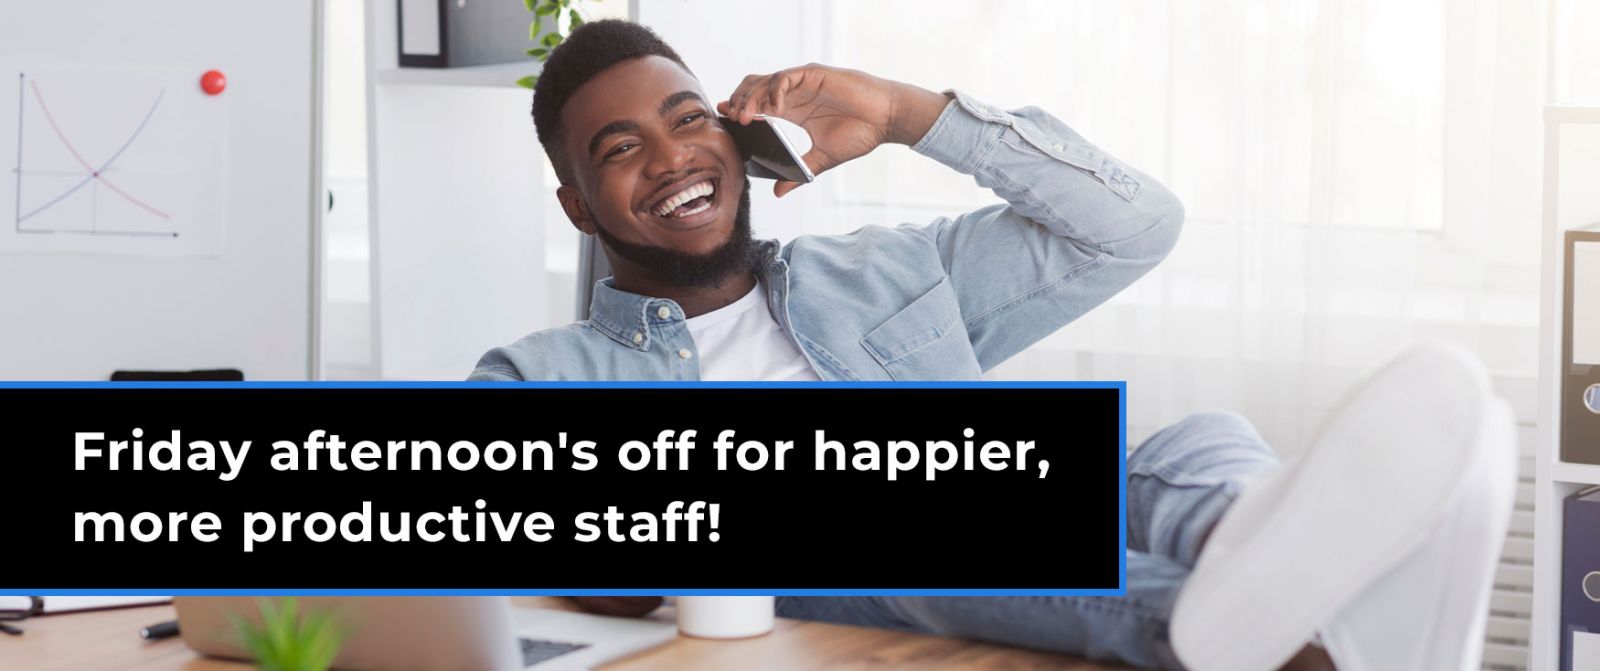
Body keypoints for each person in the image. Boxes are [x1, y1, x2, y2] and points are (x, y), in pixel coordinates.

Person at [469, 19, 1510, 670]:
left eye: (688, 118)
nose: (672, 157)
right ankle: (1278, 618)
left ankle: (1285, 563)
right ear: (576, 203)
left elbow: (1134, 224)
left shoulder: (879, 272)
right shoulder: (538, 376)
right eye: (620, 148)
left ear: (734, 136)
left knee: (1196, 437)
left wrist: (908, 115)